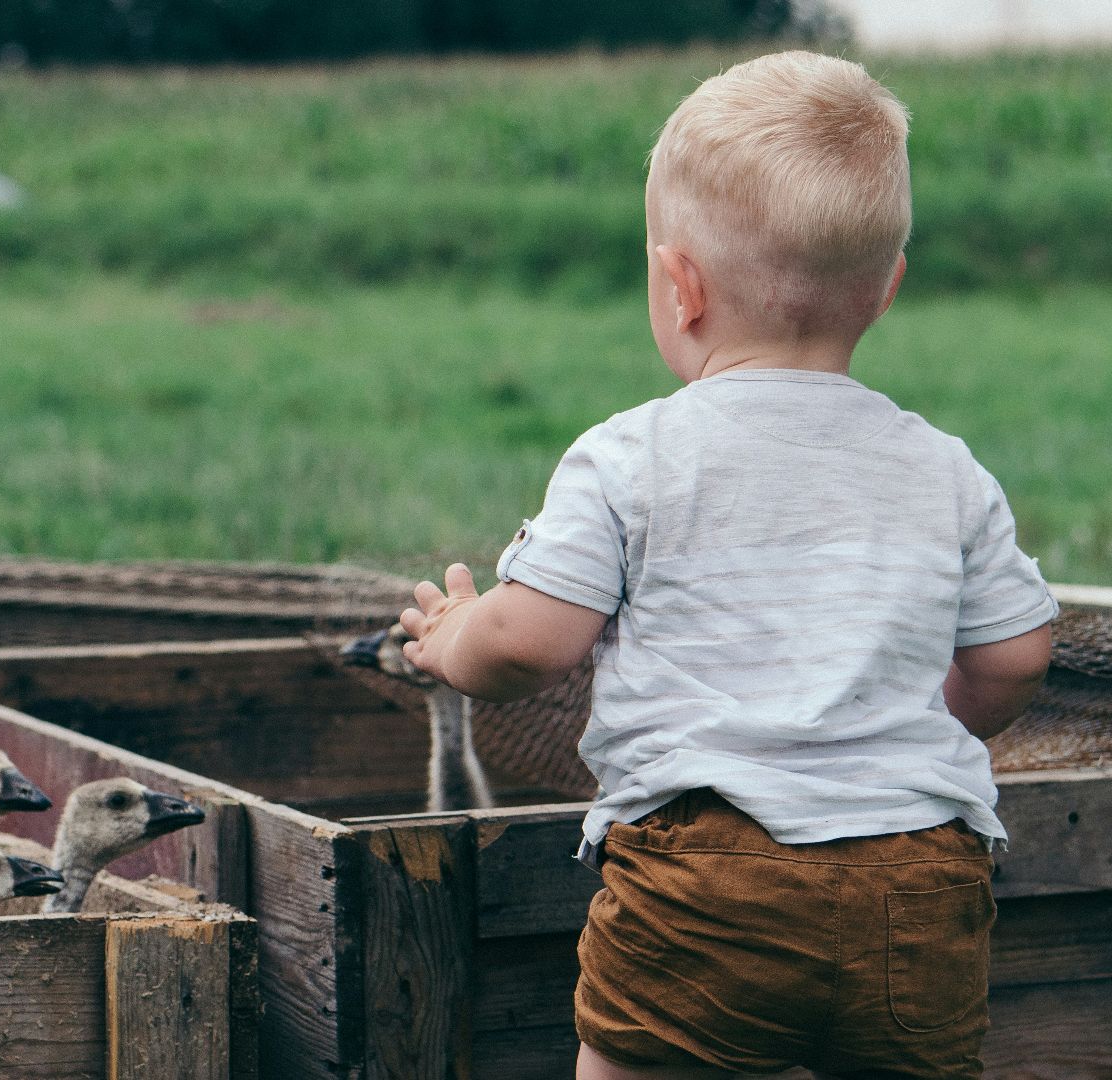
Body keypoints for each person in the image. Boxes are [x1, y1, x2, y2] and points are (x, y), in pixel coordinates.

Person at [398, 51, 1056, 1080]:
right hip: (917, 882)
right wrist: (930, 720)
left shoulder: (630, 456)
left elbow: (529, 643)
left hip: (704, 876)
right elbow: (1016, 656)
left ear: (680, 285)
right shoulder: (945, 470)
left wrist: (449, 645)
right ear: (884, 291)